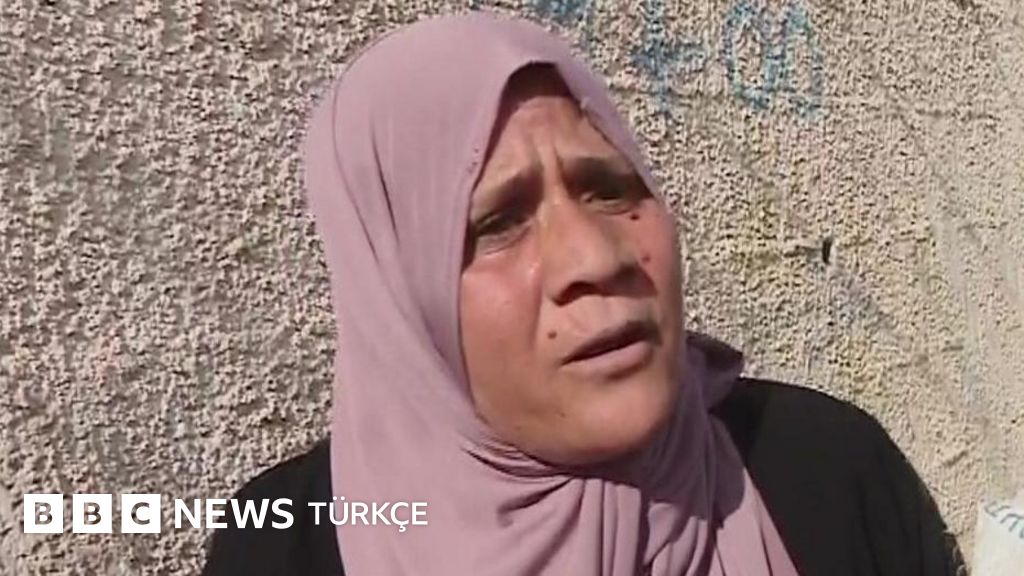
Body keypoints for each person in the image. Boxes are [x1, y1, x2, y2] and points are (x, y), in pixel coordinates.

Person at [201, 11, 964, 576]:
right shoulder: (283, 546)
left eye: (610, 188)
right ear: (398, 303)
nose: (596, 257)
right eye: (497, 222)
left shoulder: (828, 471)